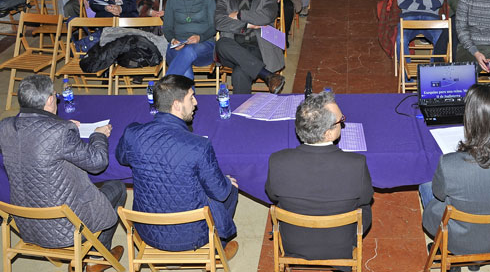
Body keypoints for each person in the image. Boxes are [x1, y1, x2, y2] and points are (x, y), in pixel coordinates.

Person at [0, 75, 126, 272]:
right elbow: (97, 163)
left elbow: (33, 139)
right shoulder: (60, 132)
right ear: (51, 99)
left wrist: (61, 125)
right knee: (117, 186)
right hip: (67, 228)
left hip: (26, 225)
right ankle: (98, 256)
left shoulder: (5, 126)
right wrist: (98, 135)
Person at [116, 74, 239, 258]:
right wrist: (226, 181)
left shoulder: (132, 134)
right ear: (176, 105)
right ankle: (217, 248)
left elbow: (121, 158)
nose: (196, 102)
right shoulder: (199, 145)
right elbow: (220, 193)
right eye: (191, 97)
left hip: (147, 232)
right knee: (230, 188)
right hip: (193, 236)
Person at [420, 85, 490, 259]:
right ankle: (475, 261)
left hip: (457, 239)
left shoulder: (449, 164)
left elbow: (438, 194)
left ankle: (449, 253)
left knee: (425, 185)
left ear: (470, 119)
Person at [266, 91, 373, 262]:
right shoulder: (356, 164)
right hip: (341, 244)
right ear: (328, 133)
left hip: (293, 243)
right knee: (365, 207)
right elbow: (365, 199)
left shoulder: (277, 161)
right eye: (341, 121)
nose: (342, 124)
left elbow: (272, 195)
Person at [215, 0, 285, 94]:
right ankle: (268, 76)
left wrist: (240, 15)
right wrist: (247, 24)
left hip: (259, 48)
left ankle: (242, 109)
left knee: (240, 72)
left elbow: (266, 17)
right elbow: (219, 22)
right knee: (222, 43)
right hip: (232, 49)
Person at [162, 0, 216, 79]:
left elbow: (214, 27)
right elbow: (167, 28)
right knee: (184, 62)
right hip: (177, 46)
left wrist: (200, 38)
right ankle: (187, 92)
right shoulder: (172, 0)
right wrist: (173, 40)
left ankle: (164, 85)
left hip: (204, 46)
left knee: (187, 51)